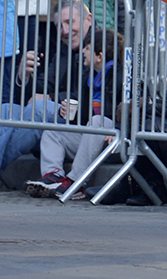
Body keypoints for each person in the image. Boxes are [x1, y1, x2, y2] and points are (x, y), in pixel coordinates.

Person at [0, 0, 93, 192]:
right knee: (7, 109)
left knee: (38, 109)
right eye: (59, 25)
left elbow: (94, 94)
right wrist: (23, 76)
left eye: (69, 22)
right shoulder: (62, 48)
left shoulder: (102, 44)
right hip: (54, 120)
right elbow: (37, 92)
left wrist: (52, 98)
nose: (64, 31)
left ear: (88, 19)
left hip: (85, 123)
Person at [25, 28, 125, 200]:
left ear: (99, 56)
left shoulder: (120, 75)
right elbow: (85, 117)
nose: (83, 52)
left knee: (98, 121)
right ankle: (53, 176)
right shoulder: (90, 77)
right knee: (53, 131)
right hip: (94, 138)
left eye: (87, 48)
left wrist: (119, 130)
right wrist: (70, 111)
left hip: (116, 141)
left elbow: (131, 109)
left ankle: (75, 182)